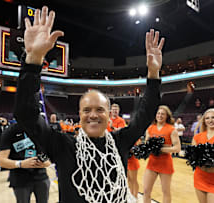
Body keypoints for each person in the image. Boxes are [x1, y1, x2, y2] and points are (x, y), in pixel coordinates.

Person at [13, 6, 163, 202]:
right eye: (87, 110)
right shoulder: (62, 145)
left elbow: (146, 113)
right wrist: (33, 62)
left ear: (109, 114)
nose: (93, 114)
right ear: (80, 115)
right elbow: (25, 113)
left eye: (100, 109)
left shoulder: (120, 141)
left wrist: (153, 75)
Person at [0, 123, 51, 203]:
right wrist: (20, 164)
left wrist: (47, 162)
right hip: (20, 179)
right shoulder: (10, 132)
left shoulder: (41, 130)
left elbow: (50, 154)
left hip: (41, 177)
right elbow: (2, 161)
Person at [143, 105, 181, 203]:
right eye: (158, 113)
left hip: (165, 164)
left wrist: (161, 149)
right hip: (152, 163)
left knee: (166, 192)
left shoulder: (172, 129)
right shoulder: (150, 128)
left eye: (163, 114)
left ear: (167, 116)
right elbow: (147, 144)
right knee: (146, 190)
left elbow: (177, 148)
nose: (160, 116)